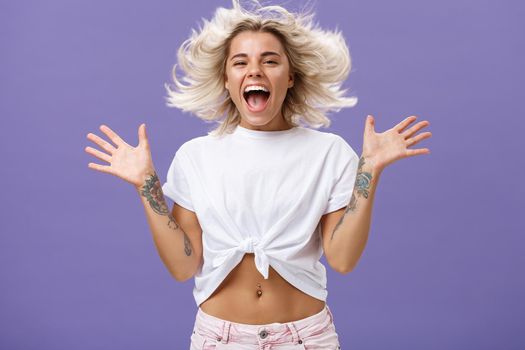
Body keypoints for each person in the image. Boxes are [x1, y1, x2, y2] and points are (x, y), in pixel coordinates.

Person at [85, 0, 432, 348]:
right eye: (241, 62)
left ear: (290, 76)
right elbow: (182, 266)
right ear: (226, 78)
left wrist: (369, 169)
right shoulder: (196, 156)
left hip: (306, 339)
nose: (255, 71)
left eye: (270, 61)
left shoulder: (328, 152)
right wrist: (147, 185)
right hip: (220, 339)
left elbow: (342, 259)